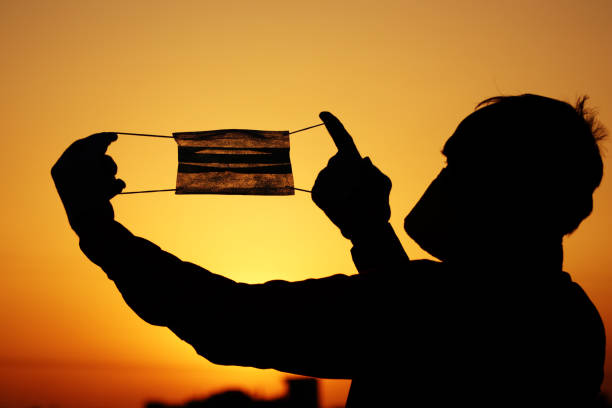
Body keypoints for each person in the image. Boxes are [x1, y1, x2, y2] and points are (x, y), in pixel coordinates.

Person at [51, 94, 606, 407]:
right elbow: (417, 324)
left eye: (457, 167)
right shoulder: (566, 317)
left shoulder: (516, 318)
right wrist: (369, 233)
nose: (441, 181)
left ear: (509, 195)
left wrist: (95, 226)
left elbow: (227, 322)